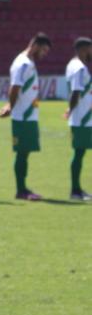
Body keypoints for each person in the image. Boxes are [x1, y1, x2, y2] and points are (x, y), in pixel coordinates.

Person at [0, 32, 52, 201]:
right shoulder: (23, 63)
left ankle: (22, 188)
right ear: (36, 45)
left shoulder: (28, 62)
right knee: (22, 153)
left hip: (28, 115)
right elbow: (15, 87)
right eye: (44, 50)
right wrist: (10, 106)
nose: (44, 55)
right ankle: (21, 190)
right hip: (23, 116)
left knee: (25, 153)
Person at [65, 37, 92, 201]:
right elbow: (76, 91)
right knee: (79, 152)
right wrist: (71, 109)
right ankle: (75, 191)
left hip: (83, 117)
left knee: (80, 152)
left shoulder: (73, 65)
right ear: (84, 49)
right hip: (82, 118)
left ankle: (77, 189)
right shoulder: (79, 68)